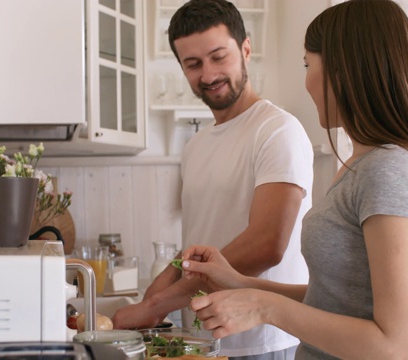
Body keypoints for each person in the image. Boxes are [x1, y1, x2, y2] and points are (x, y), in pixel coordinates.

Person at [179, 0, 408, 359]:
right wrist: (242, 284)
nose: (307, 79)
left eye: (309, 64)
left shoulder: (391, 170)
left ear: (345, 70)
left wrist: (264, 307)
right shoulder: (363, 165)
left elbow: (400, 347)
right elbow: (336, 298)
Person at [112, 0, 314, 358]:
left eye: (219, 57)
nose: (208, 75)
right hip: (205, 340)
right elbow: (205, 240)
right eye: (193, 64)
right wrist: (167, 278)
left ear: (245, 49)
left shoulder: (277, 130)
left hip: (262, 341)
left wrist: (158, 303)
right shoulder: (196, 145)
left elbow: (267, 244)